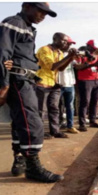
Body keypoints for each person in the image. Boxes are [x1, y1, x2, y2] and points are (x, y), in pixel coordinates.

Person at [0, 2, 64, 182]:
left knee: (21, 121)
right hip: (17, 81)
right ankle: (33, 167)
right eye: (40, 11)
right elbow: (2, 54)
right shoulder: (13, 23)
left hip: (26, 80)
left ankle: (20, 159)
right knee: (32, 122)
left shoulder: (27, 28)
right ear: (27, 6)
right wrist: (4, 85)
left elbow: (22, 57)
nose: (43, 16)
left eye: (46, 13)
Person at [36, 32, 77, 139]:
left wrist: (70, 58)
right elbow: (52, 67)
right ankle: (39, 133)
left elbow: (61, 68)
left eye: (66, 41)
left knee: (54, 108)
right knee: (41, 110)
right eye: (63, 40)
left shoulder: (59, 52)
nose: (65, 43)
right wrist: (68, 56)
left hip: (54, 84)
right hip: (42, 83)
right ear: (55, 39)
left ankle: (55, 131)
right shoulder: (45, 49)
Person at [74, 39, 98, 132]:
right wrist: (91, 64)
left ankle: (92, 121)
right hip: (85, 80)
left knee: (95, 102)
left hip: (97, 80)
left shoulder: (97, 55)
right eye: (93, 48)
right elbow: (78, 67)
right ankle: (82, 124)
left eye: (96, 49)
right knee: (85, 102)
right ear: (88, 46)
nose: (95, 50)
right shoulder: (81, 54)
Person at [58, 36, 79, 134]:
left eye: (71, 44)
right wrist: (70, 58)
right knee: (57, 107)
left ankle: (70, 126)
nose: (70, 46)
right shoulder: (56, 53)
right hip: (58, 83)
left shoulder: (70, 55)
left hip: (70, 84)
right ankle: (56, 126)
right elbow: (60, 68)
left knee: (70, 106)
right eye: (68, 44)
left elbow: (77, 66)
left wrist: (88, 62)